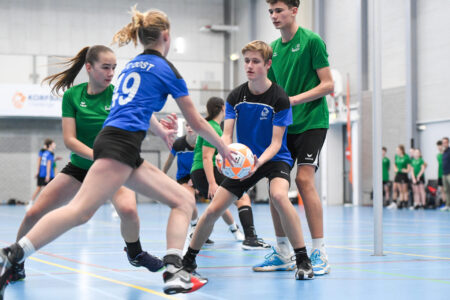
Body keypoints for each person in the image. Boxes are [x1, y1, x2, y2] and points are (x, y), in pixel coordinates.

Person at [1, 7, 235, 296]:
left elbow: (135, 107)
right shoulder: (166, 69)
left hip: (118, 144)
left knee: (183, 201)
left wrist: (160, 130)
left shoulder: (133, 65)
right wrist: (223, 146)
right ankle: (14, 253)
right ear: (166, 36)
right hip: (119, 146)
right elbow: (198, 121)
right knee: (79, 212)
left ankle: (174, 270)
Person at [9, 45, 166, 283]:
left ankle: (135, 254)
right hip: (81, 168)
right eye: (105, 67)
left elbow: (144, 111)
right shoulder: (73, 96)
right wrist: (102, 155)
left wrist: (164, 130)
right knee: (34, 212)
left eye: (114, 67)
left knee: (129, 210)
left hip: (112, 169)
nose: (111, 72)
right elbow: (70, 140)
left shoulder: (117, 94)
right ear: (89, 67)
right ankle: (15, 260)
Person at [182, 40, 313, 280]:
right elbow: (227, 134)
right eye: (247, 61)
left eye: (255, 61)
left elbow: (276, 143)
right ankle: (188, 261)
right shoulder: (236, 96)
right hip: (242, 160)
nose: (249, 66)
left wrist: (257, 163)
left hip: (274, 159)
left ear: (268, 64)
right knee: (213, 209)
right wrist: (225, 152)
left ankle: (303, 260)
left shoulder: (280, 99)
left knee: (279, 196)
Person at [257, 0, 334, 275]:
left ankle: (319, 251)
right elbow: (274, 90)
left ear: (294, 10)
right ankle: (282, 251)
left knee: (303, 179)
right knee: (275, 186)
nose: (274, 16)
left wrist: (293, 101)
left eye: (279, 10)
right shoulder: (273, 50)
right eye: (270, 12)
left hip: (313, 121)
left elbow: (328, 84)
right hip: (286, 126)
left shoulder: (311, 41)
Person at [190, 97, 267, 249]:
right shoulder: (213, 127)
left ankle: (199, 236)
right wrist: (212, 182)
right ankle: (250, 238)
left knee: (219, 204)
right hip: (207, 171)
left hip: (199, 172)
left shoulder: (211, 126)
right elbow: (206, 156)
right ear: (223, 108)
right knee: (243, 197)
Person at [162, 122, 217, 244]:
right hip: (184, 177)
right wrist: (162, 174)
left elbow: (208, 159)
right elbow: (169, 161)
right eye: (187, 125)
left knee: (217, 202)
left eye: (192, 125)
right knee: (189, 199)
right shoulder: (178, 144)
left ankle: (234, 228)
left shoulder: (203, 142)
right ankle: (194, 226)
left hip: (199, 175)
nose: (189, 127)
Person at [29, 139, 56, 206]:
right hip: (48, 174)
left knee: (40, 188)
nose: (55, 145)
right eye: (53, 144)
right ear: (49, 145)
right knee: (48, 189)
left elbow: (39, 162)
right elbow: (48, 164)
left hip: (41, 173)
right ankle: (44, 203)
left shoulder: (43, 152)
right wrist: (47, 175)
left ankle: (31, 201)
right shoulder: (50, 153)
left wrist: (38, 171)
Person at [393, 145, 411, 209]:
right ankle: (401, 202)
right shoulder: (396, 157)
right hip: (398, 174)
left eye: (398, 150)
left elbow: (409, 168)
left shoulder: (406, 157)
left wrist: (406, 170)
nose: (397, 151)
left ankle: (405, 203)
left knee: (404, 190)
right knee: (400, 190)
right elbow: (395, 165)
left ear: (401, 150)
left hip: (404, 175)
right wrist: (395, 169)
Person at [440, 137, 450, 211]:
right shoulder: (443, 152)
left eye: (445, 142)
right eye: (443, 142)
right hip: (444, 173)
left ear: (448, 142)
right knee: (446, 190)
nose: (444, 143)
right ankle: (448, 205)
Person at [437, 140, 446, 206]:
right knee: (442, 190)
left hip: (446, 174)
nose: (439, 147)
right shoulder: (438, 155)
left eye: (440, 146)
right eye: (438, 146)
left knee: (447, 190)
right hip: (440, 174)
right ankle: (444, 203)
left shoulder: (446, 154)